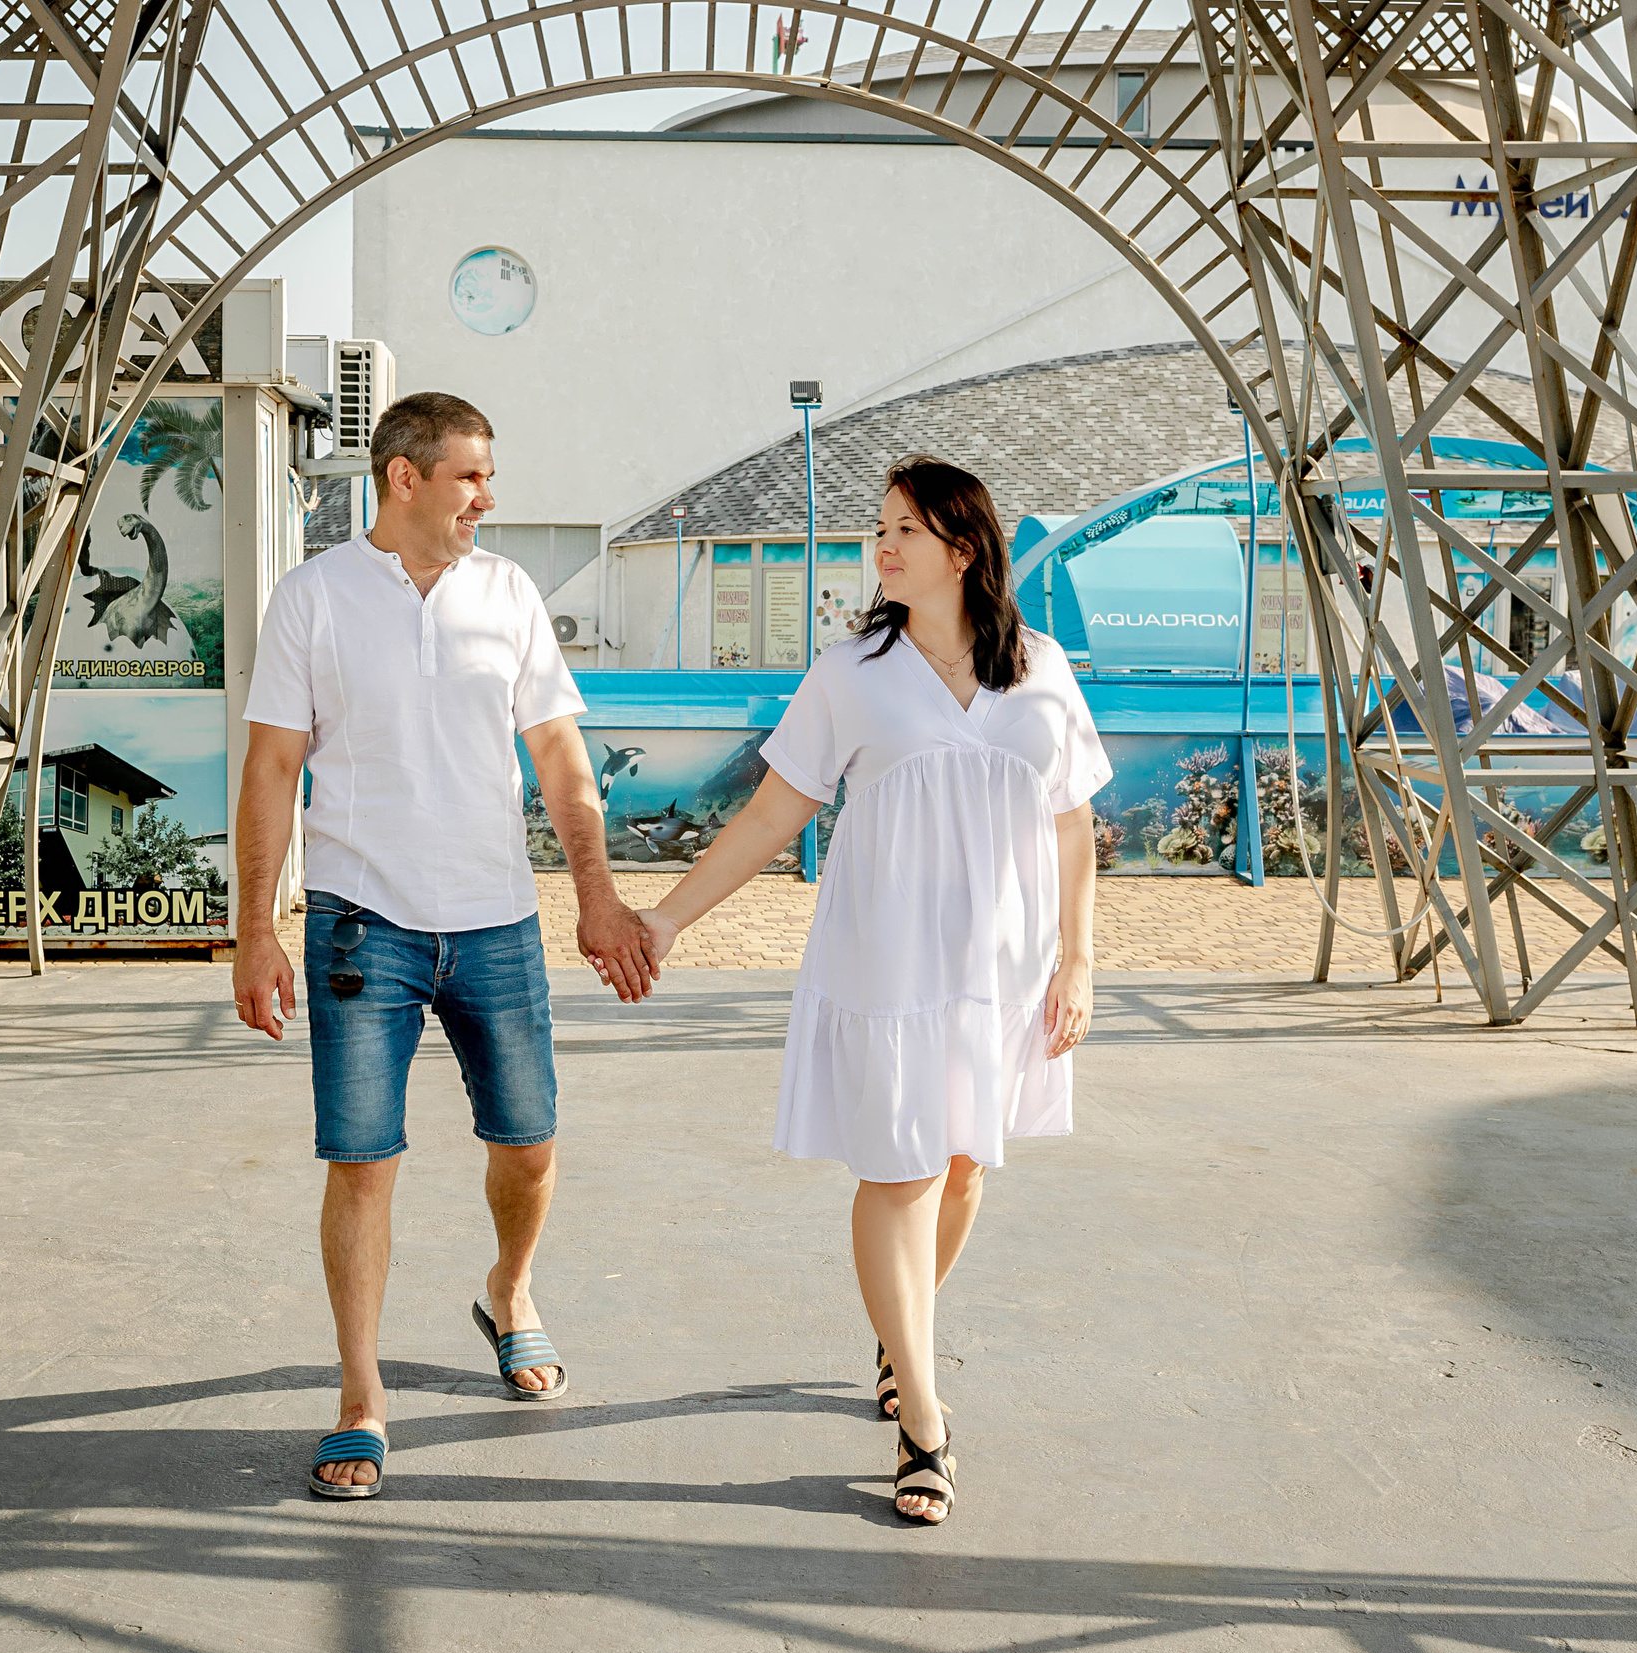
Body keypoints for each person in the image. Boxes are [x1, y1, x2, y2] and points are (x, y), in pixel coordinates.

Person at [635, 456, 1107, 1526]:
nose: (881, 547)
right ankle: (924, 1423)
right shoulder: (850, 671)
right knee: (898, 1174)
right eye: (877, 529)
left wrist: (1078, 961)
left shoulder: (1040, 667)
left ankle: (901, 1341)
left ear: (965, 546)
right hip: (886, 962)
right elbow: (769, 815)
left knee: (962, 1168)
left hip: (1003, 970)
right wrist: (667, 916)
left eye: (903, 529)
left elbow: (1072, 823)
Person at [231, 390, 661, 1501]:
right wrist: (253, 932)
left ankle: (509, 1292)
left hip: (496, 920)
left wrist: (597, 898)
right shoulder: (313, 599)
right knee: (361, 1163)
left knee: (528, 1143)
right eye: (470, 475)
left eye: (488, 476)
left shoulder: (509, 593)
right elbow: (273, 770)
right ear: (402, 476)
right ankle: (362, 1400)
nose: (488, 497)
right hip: (358, 925)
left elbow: (562, 762)